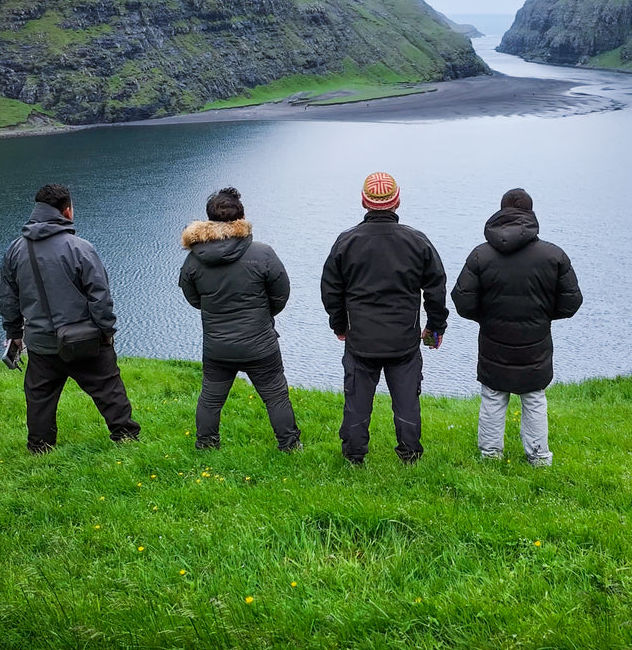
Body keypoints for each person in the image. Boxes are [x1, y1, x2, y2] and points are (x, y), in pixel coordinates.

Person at [0, 184, 140, 453]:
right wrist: (107, 332)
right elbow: (100, 296)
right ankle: (126, 438)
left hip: (40, 342)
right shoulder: (80, 248)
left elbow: (8, 299)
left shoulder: (15, 251)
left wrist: (14, 332)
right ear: (67, 211)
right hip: (84, 339)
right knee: (108, 388)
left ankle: (40, 448)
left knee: (39, 398)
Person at [321, 172, 448, 465]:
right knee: (406, 402)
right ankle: (410, 456)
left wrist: (340, 326)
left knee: (356, 403)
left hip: (360, 340)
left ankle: (354, 457)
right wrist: (434, 329)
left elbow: (331, 290)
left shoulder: (346, 241)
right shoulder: (417, 241)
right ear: (397, 201)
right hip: (404, 340)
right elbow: (436, 289)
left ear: (364, 202)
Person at [450, 188, 582, 466]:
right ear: (531, 215)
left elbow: (462, 300)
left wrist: (486, 317)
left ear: (501, 213)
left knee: (493, 396)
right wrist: (543, 316)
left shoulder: (480, 255)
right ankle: (538, 457)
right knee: (533, 397)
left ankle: (490, 455)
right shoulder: (553, 255)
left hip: (493, 339)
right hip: (535, 341)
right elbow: (571, 302)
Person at [178, 187, 302, 451]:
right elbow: (281, 294)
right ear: (241, 218)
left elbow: (193, 298)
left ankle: (206, 445)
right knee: (276, 396)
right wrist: (263, 315)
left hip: (218, 346)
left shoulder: (194, 259)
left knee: (211, 398)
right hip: (260, 343)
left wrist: (217, 312)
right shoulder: (263, 253)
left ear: (209, 219)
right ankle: (290, 445)